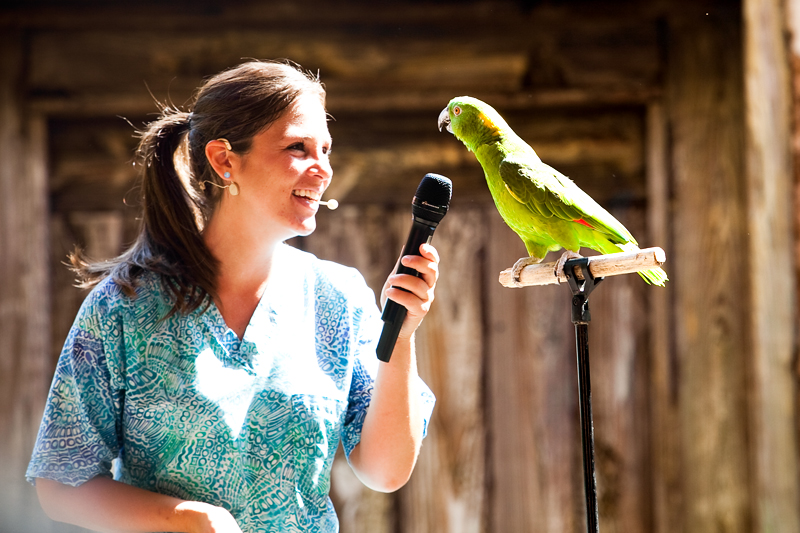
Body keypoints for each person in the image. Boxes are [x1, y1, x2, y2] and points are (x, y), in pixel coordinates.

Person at [26, 60, 438, 533]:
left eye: (326, 149)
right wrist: (187, 521)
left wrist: (400, 338)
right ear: (225, 160)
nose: (323, 169)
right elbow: (60, 484)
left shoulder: (339, 299)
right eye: (297, 147)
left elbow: (385, 471)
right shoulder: (125, 306)